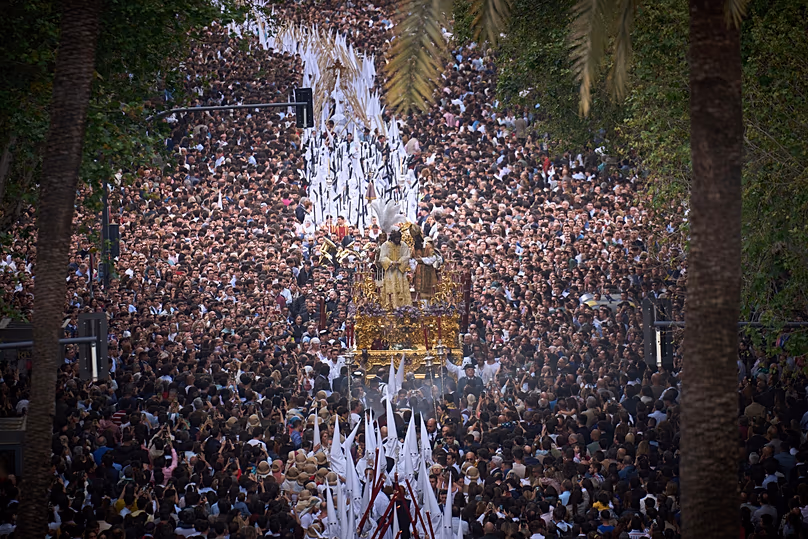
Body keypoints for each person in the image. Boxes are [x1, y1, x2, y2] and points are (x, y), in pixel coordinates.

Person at [378, 229, 411, 309]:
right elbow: (382, 257)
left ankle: (403, 306)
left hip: (400, 271)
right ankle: (390, 306)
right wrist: (390, 262)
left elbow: (407, 256)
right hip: (390, 271)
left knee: (402, 288)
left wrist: (400, 262)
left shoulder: (403, 245)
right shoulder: (385, 245)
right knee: (391, 288)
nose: (397, 240)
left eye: (398, 238)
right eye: (396, 238)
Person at [410, 225, 441, 301]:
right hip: (418, 271)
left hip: (428, 271)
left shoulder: (428, 246)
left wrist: (423, 260)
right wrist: (414, 267)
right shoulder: (414, 248)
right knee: (420, 291)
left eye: (417, 238)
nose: (416, 240)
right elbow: (411, 259)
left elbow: (433, 258)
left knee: (429, 290)